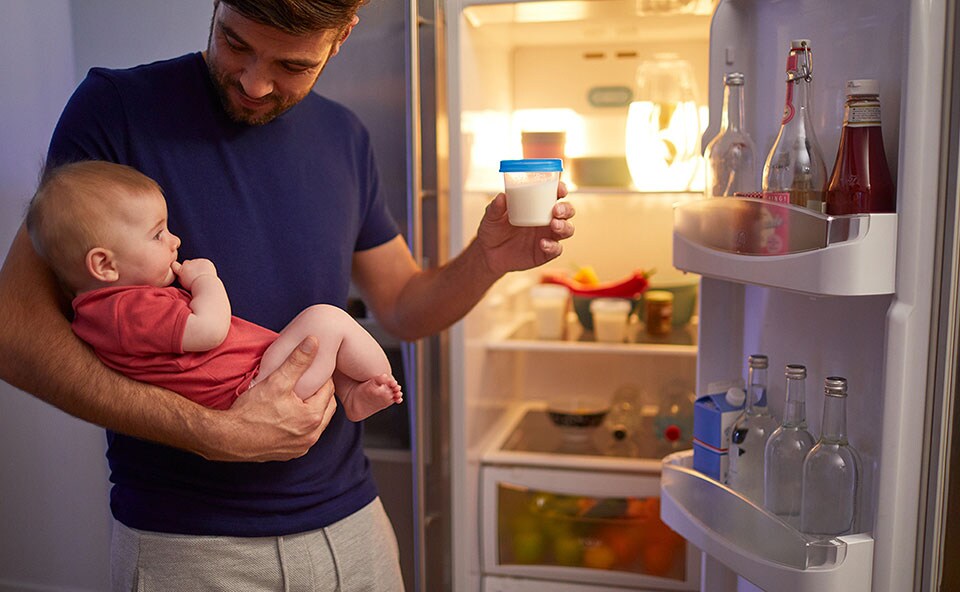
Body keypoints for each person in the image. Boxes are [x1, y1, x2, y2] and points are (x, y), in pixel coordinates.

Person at [0, 0, 575, 589]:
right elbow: (15, 335)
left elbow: (403, 306)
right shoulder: (116, 110)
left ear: (342, 36)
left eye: (291, 65)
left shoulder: (345, 135)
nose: (254, 82)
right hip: (192, 549)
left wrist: (487, 259)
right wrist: (214, 433)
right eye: (236, 43)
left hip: (353, 530)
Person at [27, 160, 403, 421]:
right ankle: (372, 381)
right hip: (251, 388)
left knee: (324, 343)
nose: (175, 241)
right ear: (105, 266)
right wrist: (206, 280)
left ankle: (352, 395)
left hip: (252, 381)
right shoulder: (128, 310)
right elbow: (210, 330)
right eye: (157, 234)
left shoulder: (99, 314)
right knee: (327, 319)